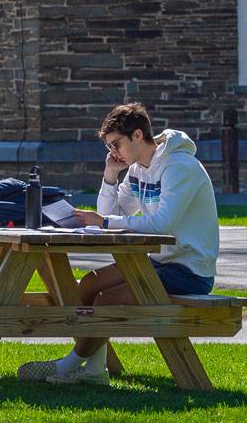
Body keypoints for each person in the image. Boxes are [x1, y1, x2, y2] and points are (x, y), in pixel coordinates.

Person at [18, 102, 220, 385]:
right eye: (109, 147)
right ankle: (94, 372)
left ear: (137, 135)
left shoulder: (180, 166)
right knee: (88, 285)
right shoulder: (138, 170)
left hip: (190, 271)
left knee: (106, 301)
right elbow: (114, 213)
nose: (114, 152)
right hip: (158, 262)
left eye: (116, 144)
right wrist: (110, 176)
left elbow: (161, 224)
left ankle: (69, 365)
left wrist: (103, 222)